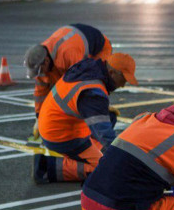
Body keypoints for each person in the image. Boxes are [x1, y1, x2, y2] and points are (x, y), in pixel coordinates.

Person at [34, 53, 138, 184]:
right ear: (111, 72)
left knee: (109, 117)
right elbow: (105, 135)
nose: (123, 85)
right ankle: (47, 167)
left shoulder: (91, 67)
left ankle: (90, 152)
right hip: (61, 135)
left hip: (54, 122)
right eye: (123, 79)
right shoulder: (93, 93)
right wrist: (124, 159)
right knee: (108, 169)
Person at [23, 24, 113, 138]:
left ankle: (101, 133)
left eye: (40, 71)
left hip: (99, 49)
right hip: (72, 42)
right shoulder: (40, 58)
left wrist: (99, 102)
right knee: (62, 86)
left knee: (92, 83)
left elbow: (84, 84)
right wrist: (39, 119)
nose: (39, 75)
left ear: (46, 61)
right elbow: (40, 93)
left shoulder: (69, 54)